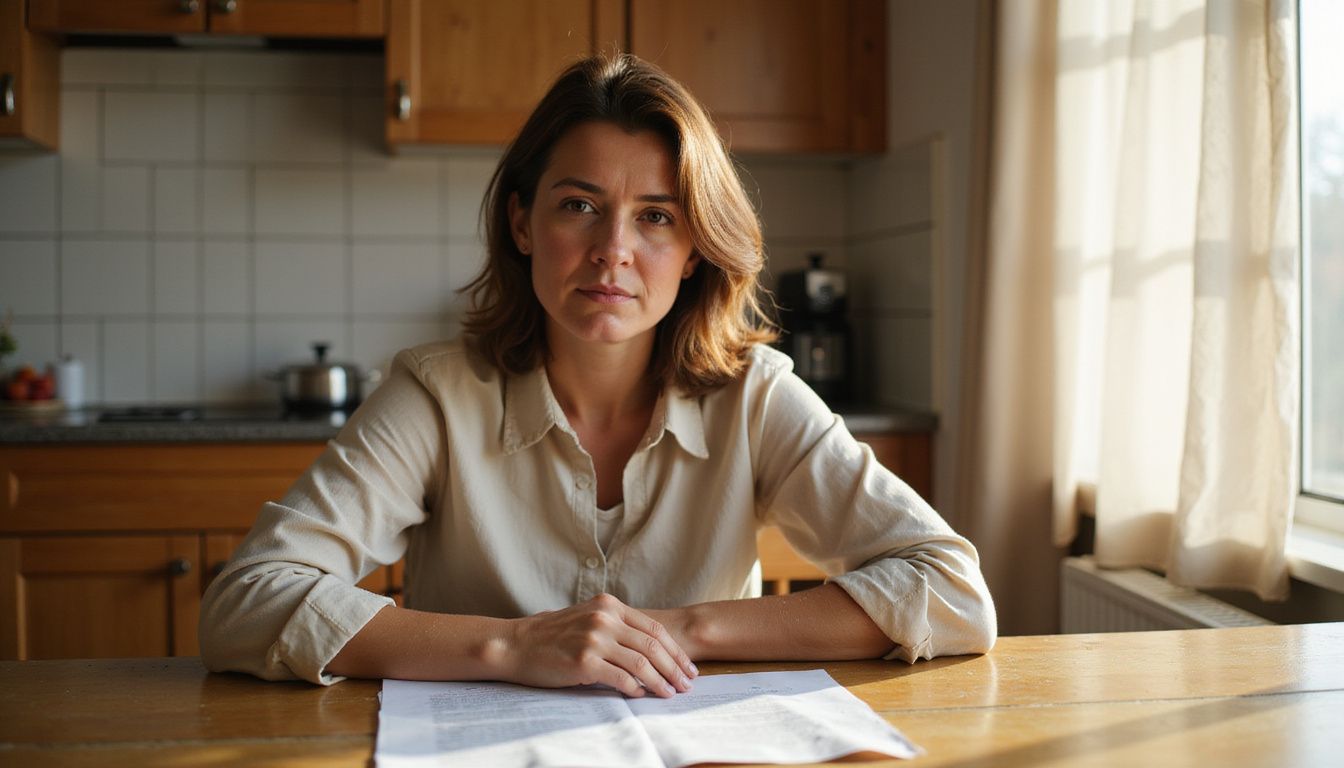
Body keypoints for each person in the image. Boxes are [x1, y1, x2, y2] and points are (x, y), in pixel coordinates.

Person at [200, 54, 996, 697]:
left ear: (694, 250)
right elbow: (245, 601)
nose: (613, 250)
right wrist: (513, 647)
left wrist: (679, 631)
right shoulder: (436, 394)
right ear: (522, 222)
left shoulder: (755, 395)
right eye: (579, 205)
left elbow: (953, 591)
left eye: (656, 216)